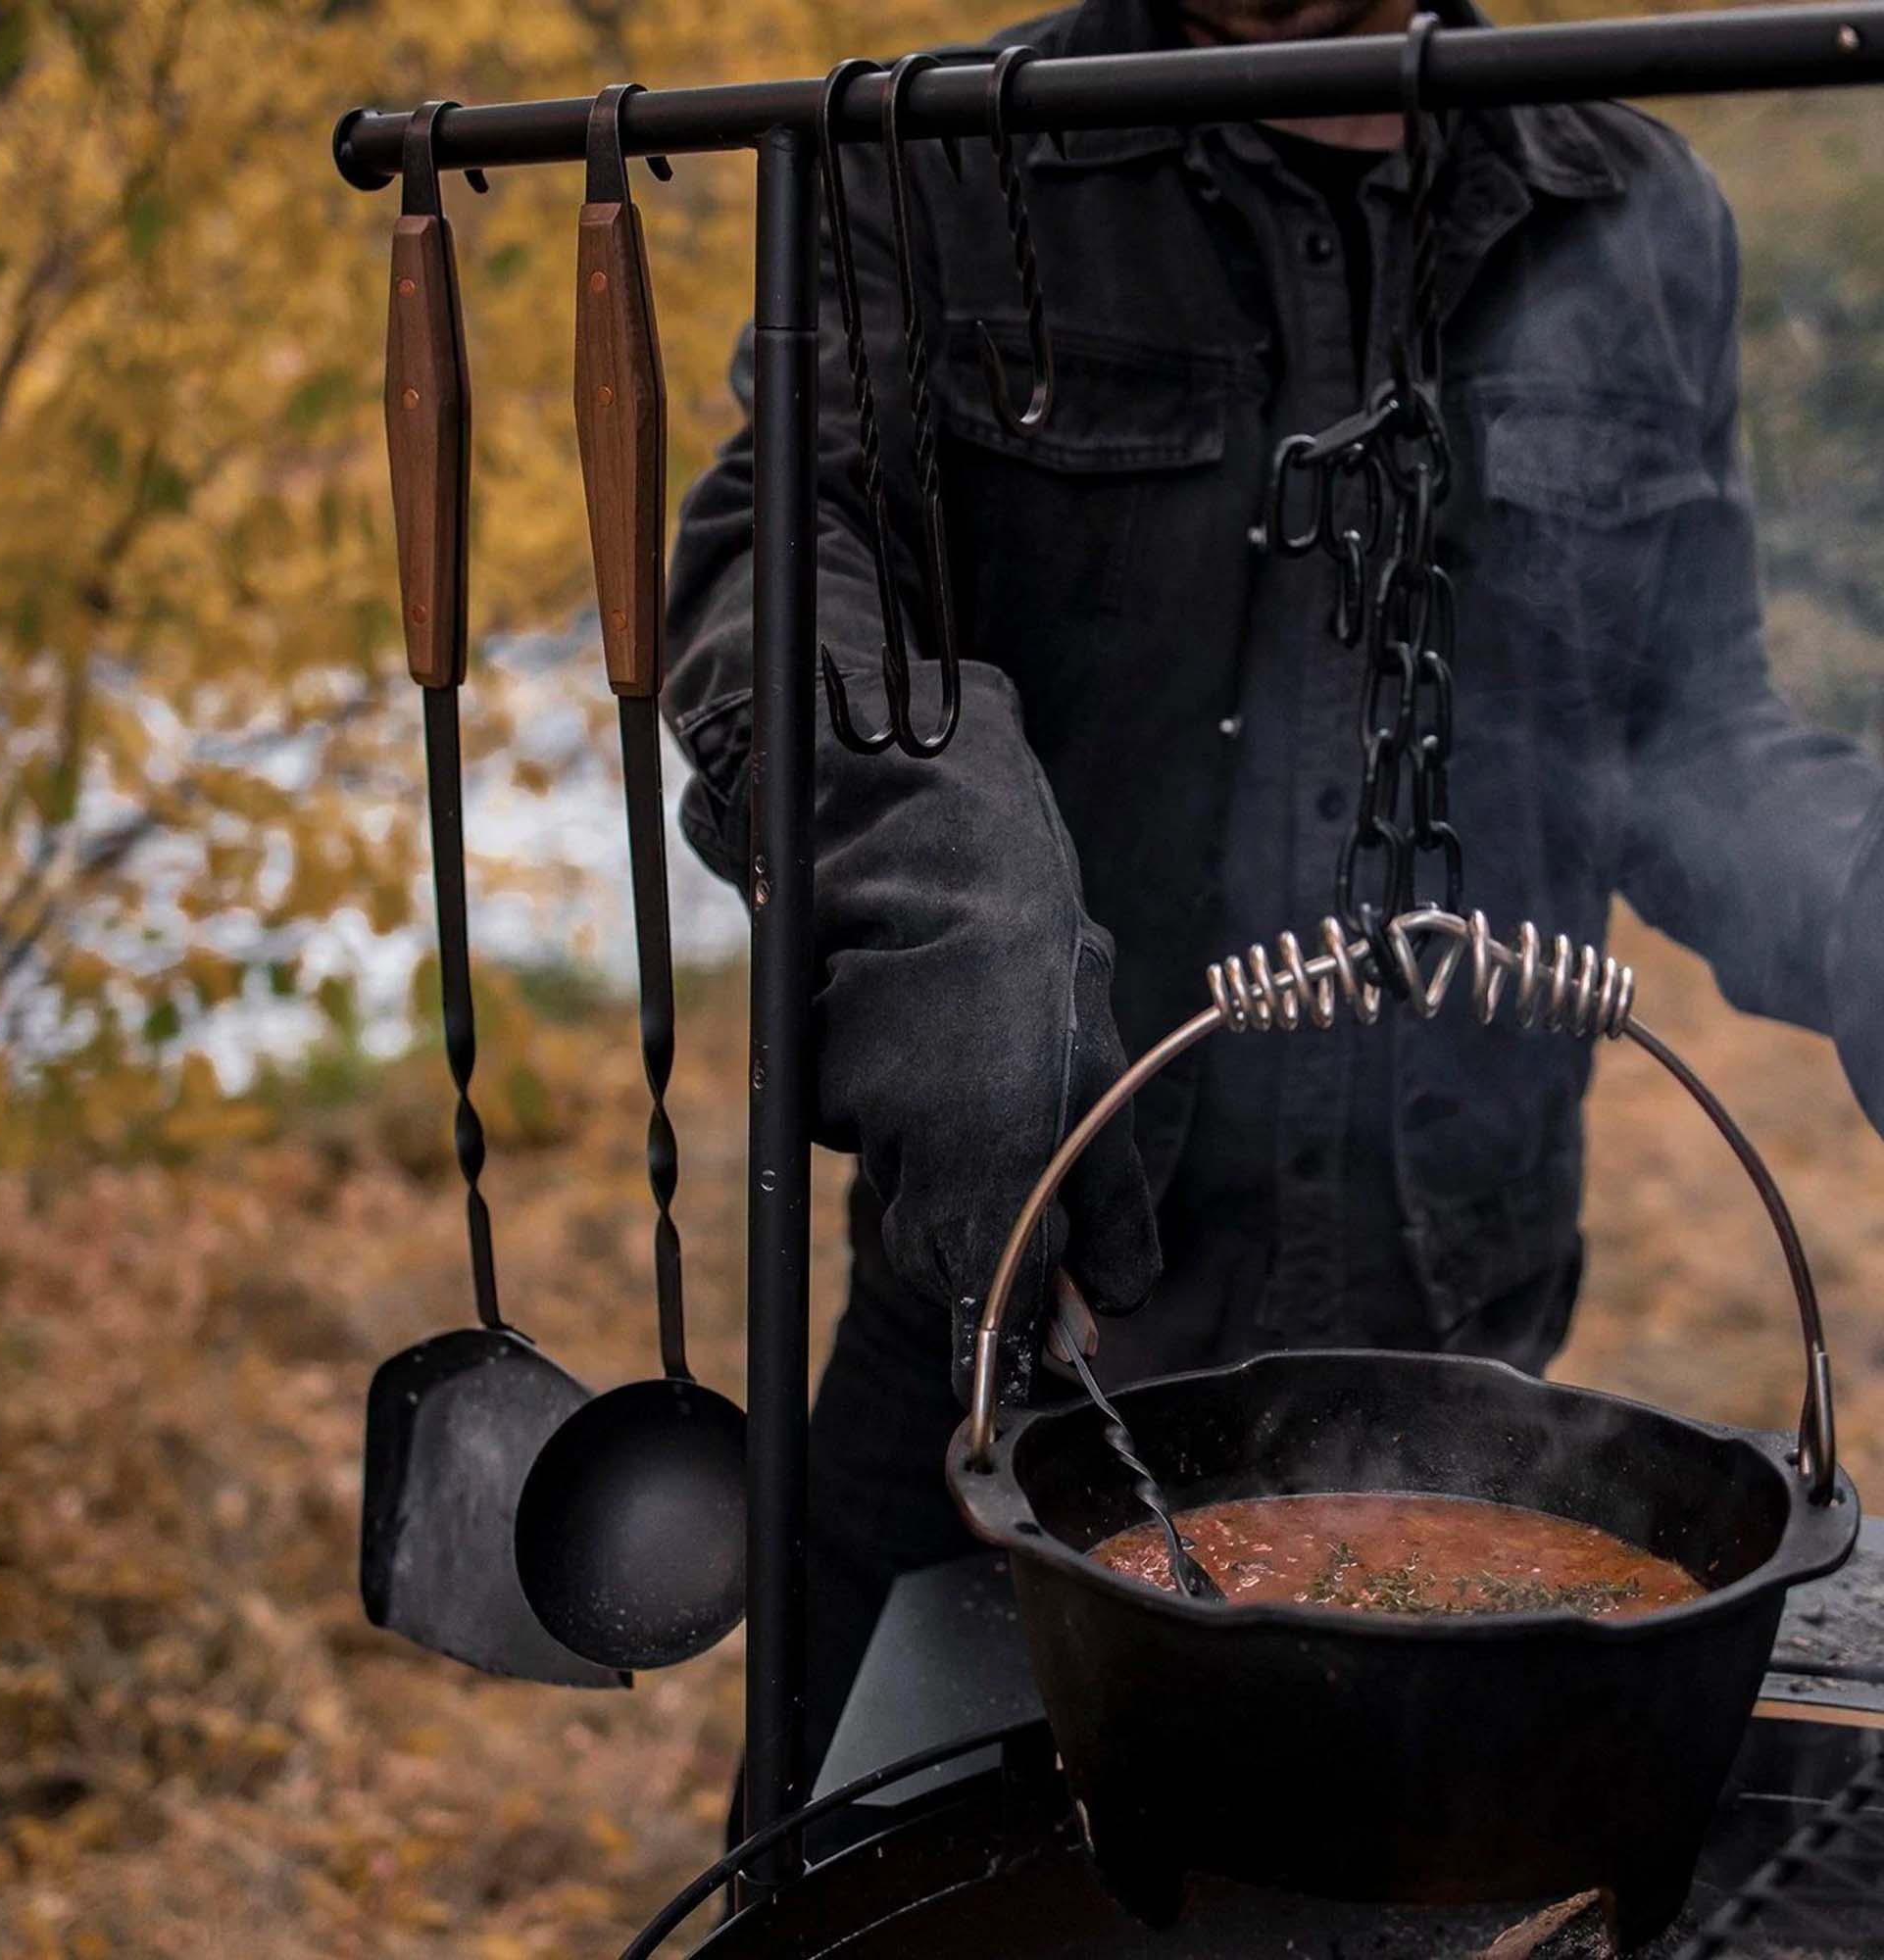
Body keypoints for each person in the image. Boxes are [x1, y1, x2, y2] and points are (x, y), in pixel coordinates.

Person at [663, 0, 1884, 1783]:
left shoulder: (1634, 209)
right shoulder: (939, 162)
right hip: (1004, 1366)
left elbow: (1689, 731)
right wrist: (946, 878)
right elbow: (777, 580)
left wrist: (1859, 895)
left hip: (1460, 1378)